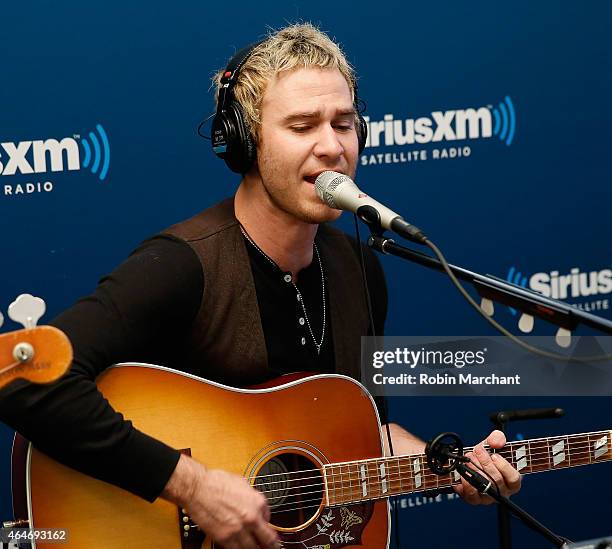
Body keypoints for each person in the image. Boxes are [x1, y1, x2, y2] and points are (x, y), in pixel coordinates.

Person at [0, 23, 520, 548]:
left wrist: (450, 464)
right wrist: (195, 486)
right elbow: (22, 382)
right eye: (301, 125)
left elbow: (366, 436)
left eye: (344, 123)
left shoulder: (360, 267)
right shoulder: (181, 266)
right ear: (245, 142)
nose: (331, 146)